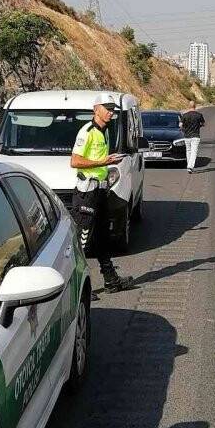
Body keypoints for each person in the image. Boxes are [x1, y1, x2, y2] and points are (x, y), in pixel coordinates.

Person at [70, 93, 134, 295]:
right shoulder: (87, 131)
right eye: (107, 108)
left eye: (113, 109)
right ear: (96, 109)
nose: (111, 112)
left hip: (100, 190)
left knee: (102, 237)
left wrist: (109, 161)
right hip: (86, 192)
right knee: (82, 241)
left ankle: (110, 279)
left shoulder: (104, 131)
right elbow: (75, 161)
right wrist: (104, 162)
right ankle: (78, 290)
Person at [179, 101, 206, 173]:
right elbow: (203, 123)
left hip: (187, 135)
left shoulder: (185, 115)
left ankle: (189, 165)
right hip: (195, 136)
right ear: (195, 106)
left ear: (189, 106)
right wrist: (199, 125)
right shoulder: (199, 115)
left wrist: (184, 129)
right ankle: (190, 166)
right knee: (194, 152)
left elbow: (180, 125)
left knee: (188, 151)